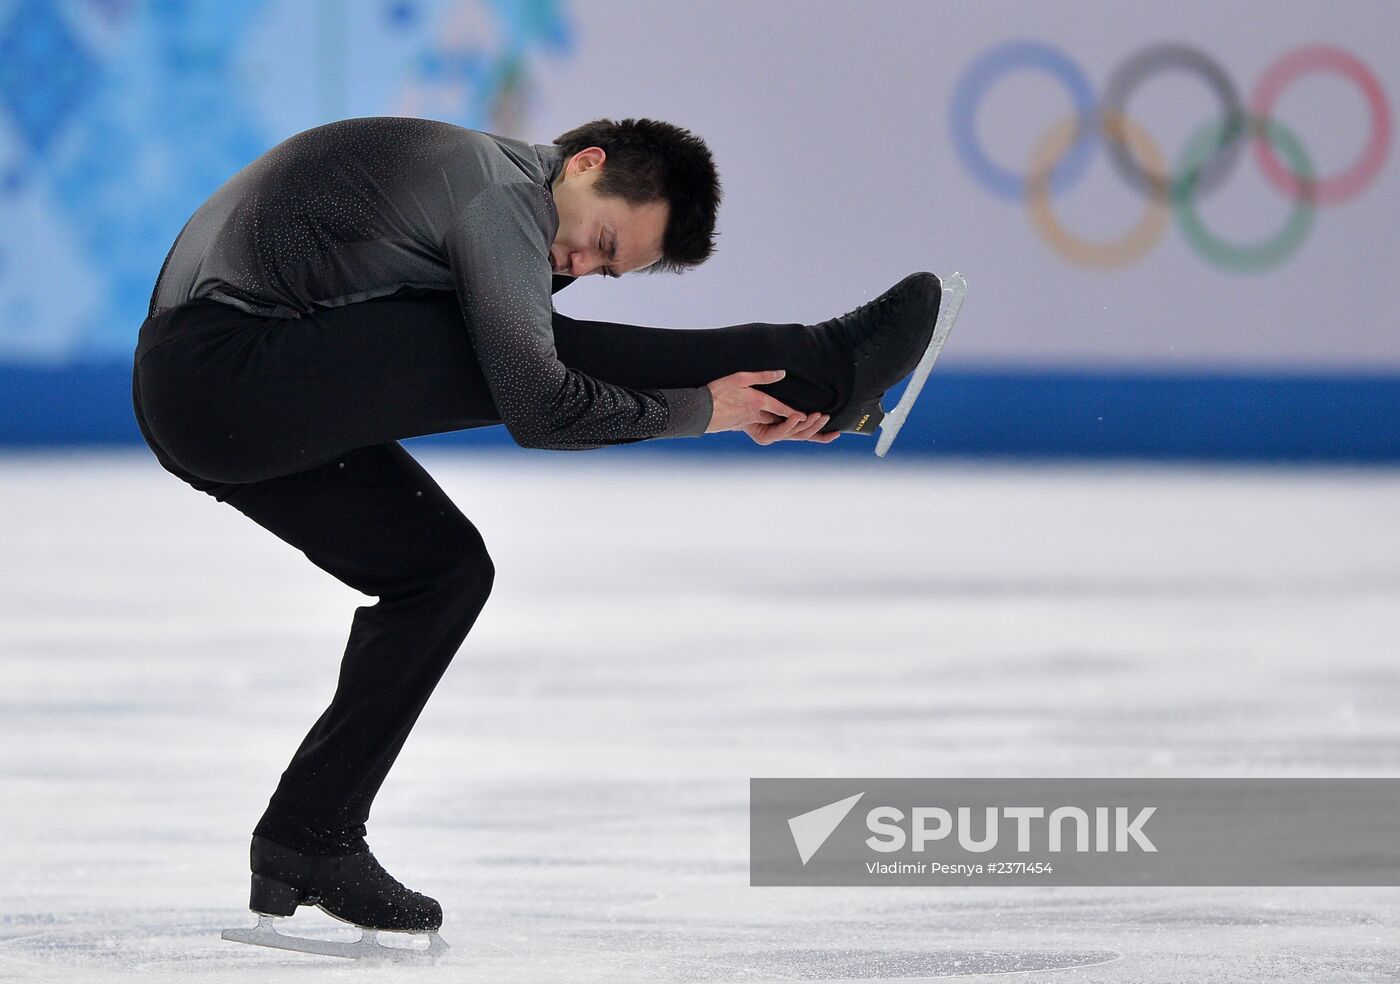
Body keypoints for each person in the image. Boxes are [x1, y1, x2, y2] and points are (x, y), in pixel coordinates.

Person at [131, 115, 942, 941]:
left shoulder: (489, 195)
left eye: (606, 267)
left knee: (441, 573)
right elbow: (538, 403)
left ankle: (309, 837)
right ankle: (821, 361)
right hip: (222, 377)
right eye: (597, 238)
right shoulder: (496, 194)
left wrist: (732, 409)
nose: (580, 264)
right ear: (585, 163)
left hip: (213, 399)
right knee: (537, 351)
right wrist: (709, 410)